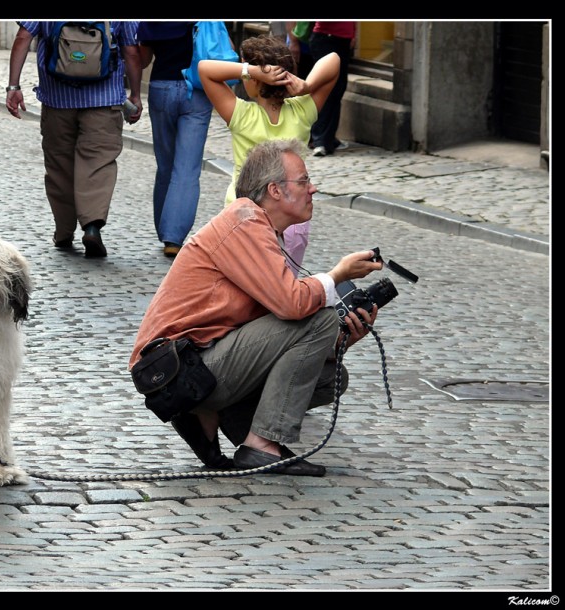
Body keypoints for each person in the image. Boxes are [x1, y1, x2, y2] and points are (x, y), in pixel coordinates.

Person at [129, 139, 381, 475]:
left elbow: (286, 339)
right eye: (304, 181)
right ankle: (262, 444)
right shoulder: (244, 220)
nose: (313, 189)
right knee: (318, 318)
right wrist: (336, 276)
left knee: (329, 377)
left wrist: (347, 337)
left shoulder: (259, 228)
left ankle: (233, 421)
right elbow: (293, 306)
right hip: (179, 369)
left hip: (199, 360)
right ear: (275, 190)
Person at [197, 34, 339, 268]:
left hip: (245, 217)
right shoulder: (303, 111)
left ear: (255, 80)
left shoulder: (242, 115)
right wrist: (308, 85)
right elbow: (333, 59)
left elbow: (205, 69)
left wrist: (250, 71)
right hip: (292, 217)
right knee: (284, 291)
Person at [6, 21, 143, 258]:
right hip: (104, 99)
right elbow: (131, 49)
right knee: (98, 164)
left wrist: (13, 86)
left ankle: (63, 230)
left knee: (59, 166)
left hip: (57, 99)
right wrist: (136, 94)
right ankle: (91, 226)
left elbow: (22, 37)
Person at [137, 22, 214, 258]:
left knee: (165, 165)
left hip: (162, 88)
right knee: (187, 169)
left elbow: (143, 59)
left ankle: (164, 230)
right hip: (198, 91)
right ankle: (173, 236)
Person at [308, 21, 356, 157]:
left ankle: (329, 138)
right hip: (326, 38)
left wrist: (353, 34)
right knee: (327, 91)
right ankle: (319, 140)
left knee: (337, 90)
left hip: (342, 39)